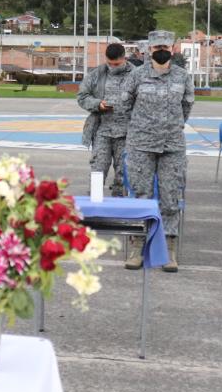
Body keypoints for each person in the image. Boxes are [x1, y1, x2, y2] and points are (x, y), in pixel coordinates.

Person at [121, 30, 193, 272]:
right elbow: (125, 104)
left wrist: (170, 125)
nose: (161, 51)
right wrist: (143, 126)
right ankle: (137, 245)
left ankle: (169, 248)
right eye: (156, 47)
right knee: (140, 196)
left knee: (171, 197)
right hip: (141, 144)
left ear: (172, 49)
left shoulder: (183, 76)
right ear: (148, 51)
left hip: (172, 145)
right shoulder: (136, 76)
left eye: (165, 46)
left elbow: (187, 105)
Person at [77, 43, 133, 197]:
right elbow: (82, 96)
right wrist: (97, 104)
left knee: (124, 172)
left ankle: (122, 208)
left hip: (128, 133)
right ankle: (94, 205)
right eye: (110, 63)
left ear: (125, 58)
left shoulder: (136, 74)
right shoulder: (97, 74)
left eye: (117, 64)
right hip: (102, 131)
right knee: (98, 169)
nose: (113, 67)